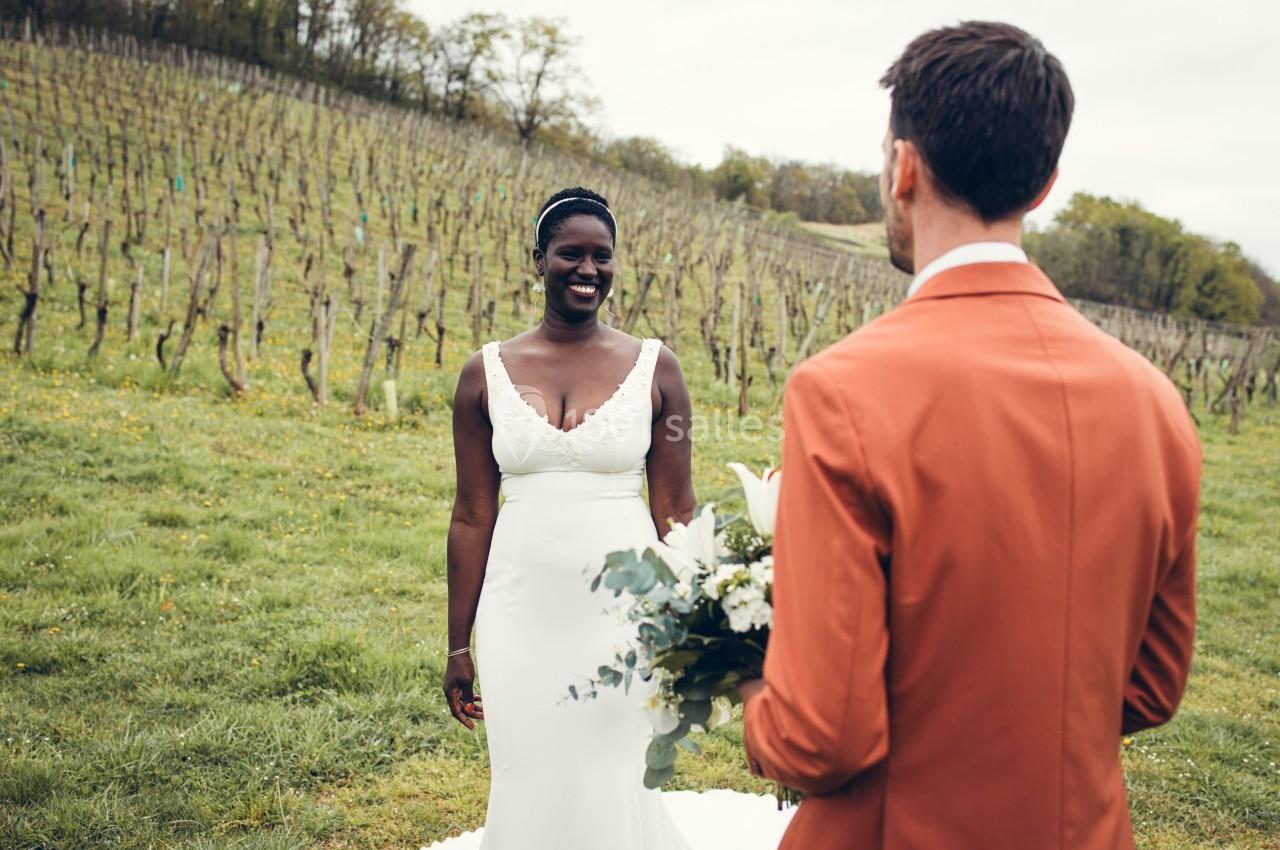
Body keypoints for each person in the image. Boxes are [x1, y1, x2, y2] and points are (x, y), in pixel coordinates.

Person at [739, 21, 1202, 850]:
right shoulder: (1156, 403)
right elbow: (1153, 687)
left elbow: (822, 735)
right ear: (1046, 182)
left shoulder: (843, 392)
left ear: (902, 166)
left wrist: (750, 699)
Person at [437, 188, 792, 850]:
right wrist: (458, 644)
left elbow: (676, 511)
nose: (588, 270)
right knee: (525, 764)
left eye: (603, 257)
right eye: (571, 254)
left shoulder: (658, 369)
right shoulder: (481, 374)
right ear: (539, 259)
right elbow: (470, 514)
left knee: (615, 769)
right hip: (519, 606)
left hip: (627, 611)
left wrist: (715, 631)